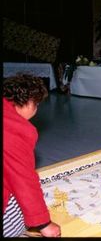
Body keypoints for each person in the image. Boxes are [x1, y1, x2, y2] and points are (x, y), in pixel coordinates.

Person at [3, 74, 61, 237]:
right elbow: (23, 180)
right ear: (29, 103)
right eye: (36, 105)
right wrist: (43, 224)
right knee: (19, 215)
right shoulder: (13, 133)